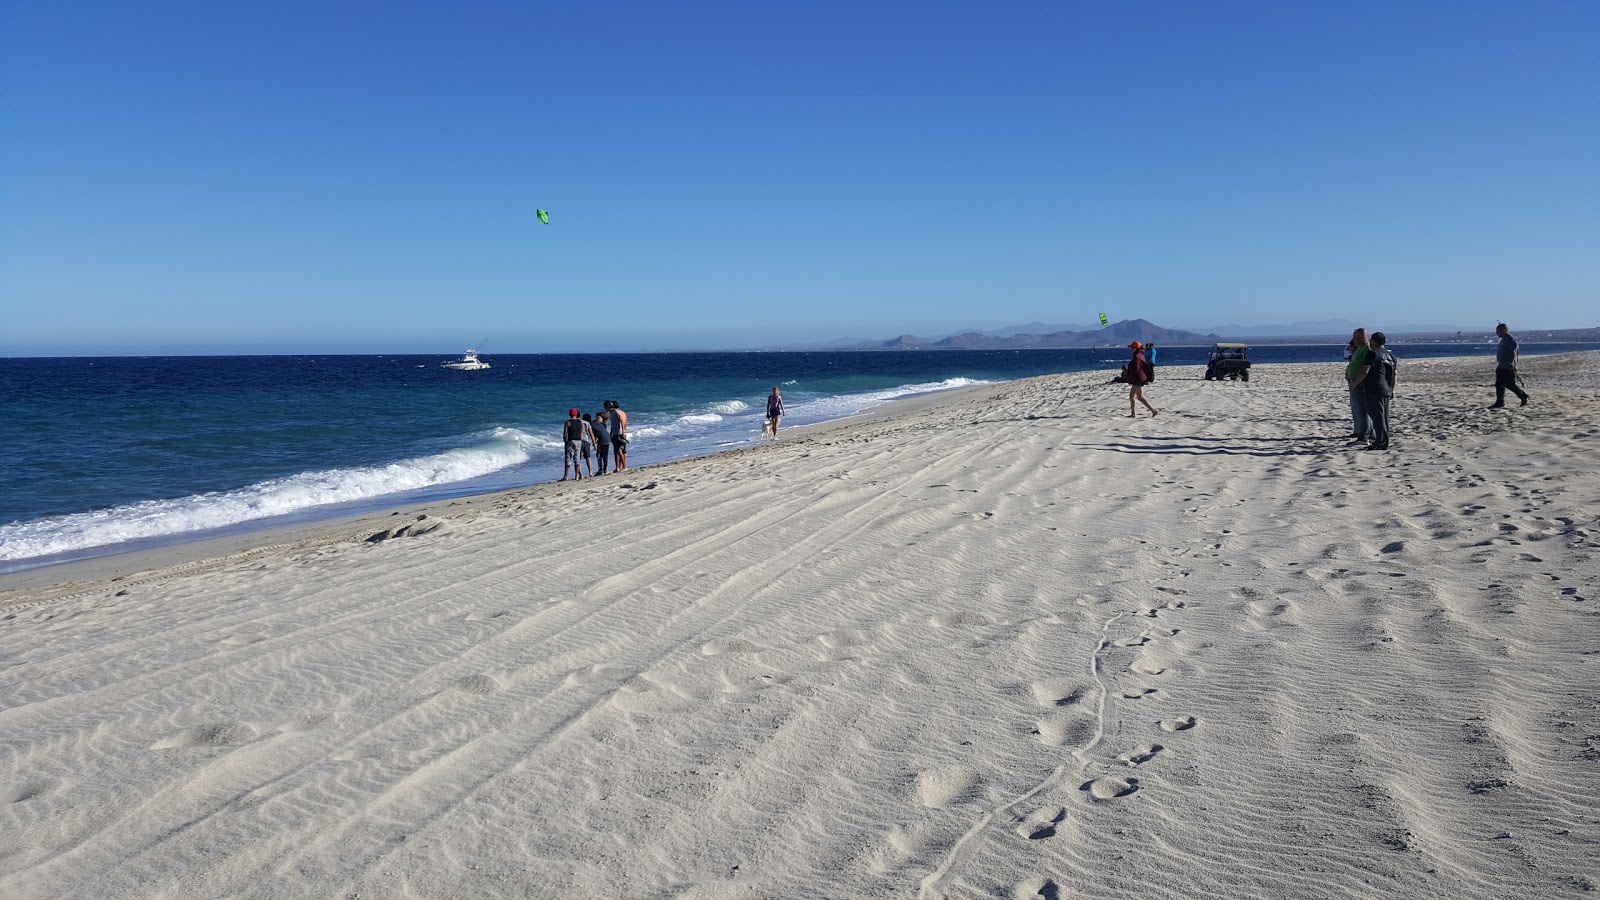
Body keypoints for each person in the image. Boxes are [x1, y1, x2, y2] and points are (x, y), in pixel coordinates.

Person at [1352, 331, 1396, 450]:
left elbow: (1365, 370)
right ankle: (1382, 440)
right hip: (1386, 389)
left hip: (1375, 389)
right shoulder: (1390, 355)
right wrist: (1391, 389)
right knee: (1384, 417)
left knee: (1377, 416)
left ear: (1374, 341)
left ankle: (1381, 442)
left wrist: (1355, 383)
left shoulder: (1372, 354)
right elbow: (1394, 375)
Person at [1489, 323, 1530, 408]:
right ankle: (1500, 402)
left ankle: (1523, 396)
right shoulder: (1503, 340)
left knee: (1509, 384)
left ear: (1504, 330)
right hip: (1501, 366)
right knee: (1499, 384)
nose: (1497, 333)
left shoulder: (1510, 340)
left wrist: (1511, 363)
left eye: (1498, 331)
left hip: (1508, 366)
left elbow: (1513, 352)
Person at [1345, 328, 1374, 444]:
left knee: (1363, 411)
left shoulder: (1367, 349)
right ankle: (1370, 434)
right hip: (1354, 381)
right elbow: (1352, 356)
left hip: (1361, 383)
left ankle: (1364, 437)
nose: (1354, 340)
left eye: (1356, 338)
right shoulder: (1358, 348)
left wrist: (1355, 383)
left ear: (1363, 338)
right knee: (1360, 410)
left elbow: (1365, 369)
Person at [1124, 341, 1157, 418]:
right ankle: (1133, 414)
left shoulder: (1137, 357)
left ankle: (1153, 410)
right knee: (1131, 396)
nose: (1131, 349)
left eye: (1132, 347)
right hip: (1138, 379)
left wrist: (1130, 376)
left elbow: (1137, 369)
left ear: (1136, 348)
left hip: (1138, 379)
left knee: (1140, 397)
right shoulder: (1140, 354)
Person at [561, 408, 587, 480]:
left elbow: (565, 434)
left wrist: (565, 441)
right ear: (576, 414)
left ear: (570, 414)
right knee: (577, 458)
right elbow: (582, 431)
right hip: (579, 441)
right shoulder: (580, 422)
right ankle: (576, 476)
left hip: (571, 441)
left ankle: (566, 476)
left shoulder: (568, 422)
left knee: (568, 458)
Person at [606, 400, 629, 472]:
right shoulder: (622, 412)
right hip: (620, 432)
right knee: (622, 450)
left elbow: (621, 420)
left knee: (618, 450)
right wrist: (624, 431)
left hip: (619, 433)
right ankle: (619, 467)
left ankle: (623, 466)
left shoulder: (615, 412)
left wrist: (622, 432)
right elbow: (624, 422)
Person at [591, 410, 611, 475]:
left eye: (599, 418)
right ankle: (603, 469)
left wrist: (595, 442)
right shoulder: (601, 425)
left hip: (604, 440)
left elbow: (597, 434)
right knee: (602, 455)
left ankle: (602, 469)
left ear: (602, 418)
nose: (598, 419)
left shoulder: (601, 424)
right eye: (597, 418)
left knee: (601, 455)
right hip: (605, 439)